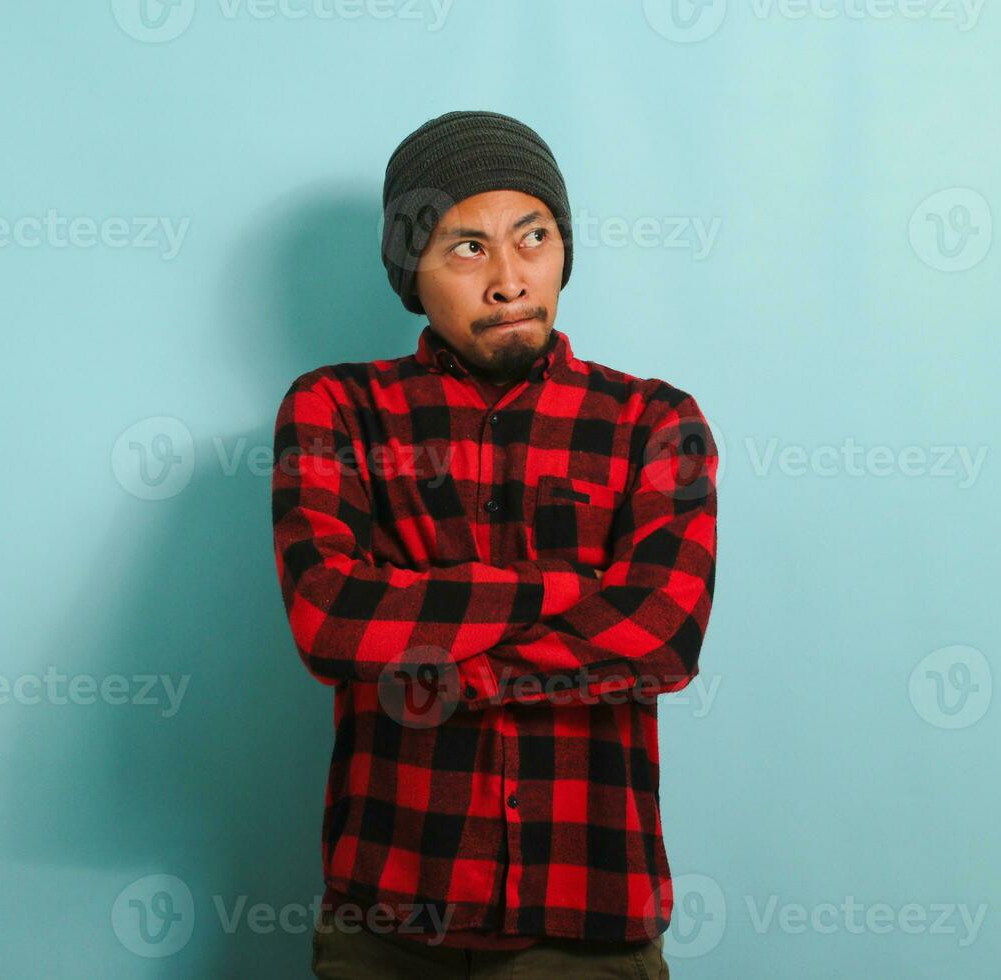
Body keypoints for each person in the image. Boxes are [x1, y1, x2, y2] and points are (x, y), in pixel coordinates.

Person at [270, 109, 717, 979]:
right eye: (467, 248)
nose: (510, 280)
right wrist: (573, 590)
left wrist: (449, 665)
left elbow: (664, 632)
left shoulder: (655, 421)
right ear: (412, 272)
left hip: (588, 921)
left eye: (533, 237)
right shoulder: (335, 411)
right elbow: (330, 619)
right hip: (389, 922)